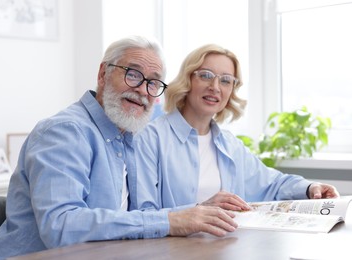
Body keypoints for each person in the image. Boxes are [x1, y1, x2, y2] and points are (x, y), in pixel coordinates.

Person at [0, 36, 238, 260]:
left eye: (153, 83)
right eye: (133, 74)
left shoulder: (129, 138)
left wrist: (196, 213)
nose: (142, 90)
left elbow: (137, 217)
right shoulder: (65, 131)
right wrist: (171, 220)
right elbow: (61, 226)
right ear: (103, 74)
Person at [135, 44, 340, 213]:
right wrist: (199, 210)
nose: (215, 87)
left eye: (225, 80)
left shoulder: (229, 144)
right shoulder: (150, 138)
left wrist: (311, 187)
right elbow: (143, 213)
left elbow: (273, 184)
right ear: (187, 80)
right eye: (206, 75)